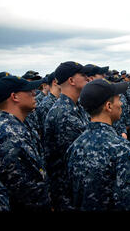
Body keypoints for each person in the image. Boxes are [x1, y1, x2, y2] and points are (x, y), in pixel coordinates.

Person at [65, 79, 130, 211]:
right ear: (109, 106)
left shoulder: (74, 146)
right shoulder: (120, 148)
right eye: (118, 99)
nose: (121, 104)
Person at [0, 76, 52, 211]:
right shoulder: (10, 136)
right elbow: (25, 193)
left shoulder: (15, 127)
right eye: (28, 91)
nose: (34, 94)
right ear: (14, 97)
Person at [43, 61, 90, 210]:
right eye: (83, 75)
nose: (87, 78)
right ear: (71, 81)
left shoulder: (76, 107)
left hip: (75, 187)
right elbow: (80, 157)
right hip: (68, 192)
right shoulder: (63, 113)